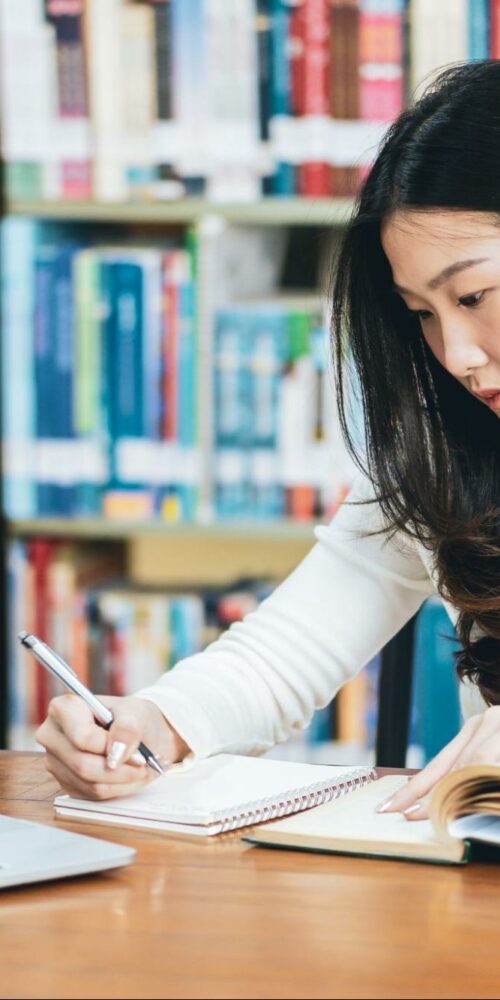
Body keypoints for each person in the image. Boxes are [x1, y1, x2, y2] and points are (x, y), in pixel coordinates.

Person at [37, 60, 500, 821]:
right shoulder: (450, 453)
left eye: (474, 297)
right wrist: (158, 721)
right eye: (421, 313)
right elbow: (292, 648)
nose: (456, 355)